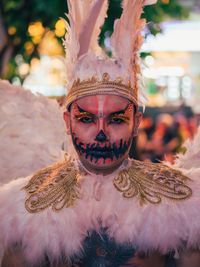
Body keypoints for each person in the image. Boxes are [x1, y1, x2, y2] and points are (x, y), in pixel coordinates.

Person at [1, 0, 200, 266]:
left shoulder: (183, 203)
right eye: (85, 119)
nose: (101, 133)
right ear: (67, 121)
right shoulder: (23, 207)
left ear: (136, 121)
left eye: (116, 119)